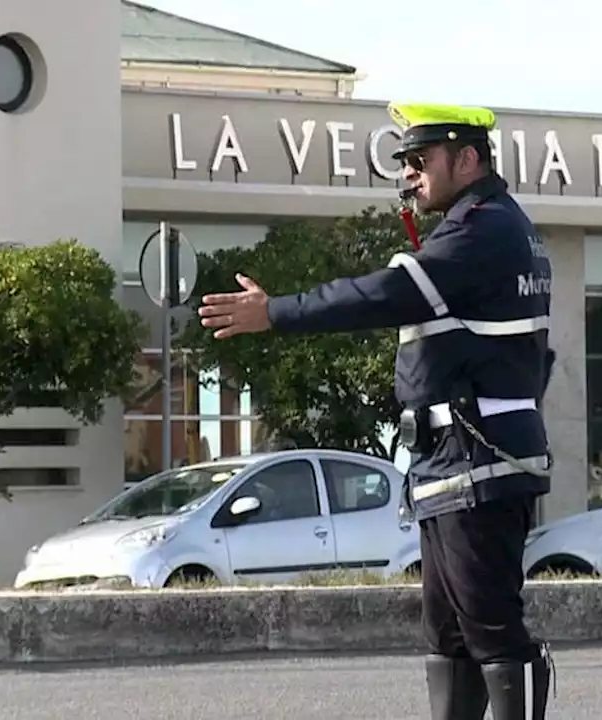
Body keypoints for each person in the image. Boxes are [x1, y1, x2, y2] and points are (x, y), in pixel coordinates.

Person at [196, 101, 556, 720]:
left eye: (421, 161)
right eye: (405, 163)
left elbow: (388, 293)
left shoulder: (486, 230)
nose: (409, 175)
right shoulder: (484, 226)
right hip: (453, 463)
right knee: (447, 635)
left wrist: (277, 312)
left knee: (492, 629)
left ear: (467, 158)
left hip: (478, 462)